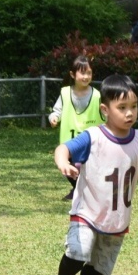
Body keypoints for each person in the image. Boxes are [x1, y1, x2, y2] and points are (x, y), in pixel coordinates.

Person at [40, 74, 138, 275]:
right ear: (105, 109)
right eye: (121, 107)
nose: (129, 113)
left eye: (133, 106)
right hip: (87, 212)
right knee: (79, 251)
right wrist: (63, 162)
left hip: (117, 218)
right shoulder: (94, 138)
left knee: (101, 262)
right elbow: (63, 148)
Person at [47, 54, 103, 200]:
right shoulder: (65, 93)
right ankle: (77, 189)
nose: (86, 76)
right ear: (72, 74)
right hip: (69, 141)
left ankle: (84, 191)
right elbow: (56, 110)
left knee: (88, 168)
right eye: (82, 72)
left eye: (89, 73)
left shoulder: (97, 95)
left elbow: (105, 114)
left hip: (91, 142)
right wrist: (54, 118)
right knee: (66, 166)